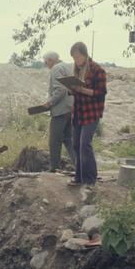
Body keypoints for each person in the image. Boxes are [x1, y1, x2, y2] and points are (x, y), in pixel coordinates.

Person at [69, 42, 107, 186]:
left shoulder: (98, 70)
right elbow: (76, 92)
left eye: (78, 57)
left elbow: (100, 94)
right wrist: (71, 89)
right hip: (78, 111)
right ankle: (79, 178)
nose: (76, 60)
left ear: (85, 54)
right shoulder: (77, 70)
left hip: (91, 113)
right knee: (76, 145)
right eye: (74, 58)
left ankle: (90, 180)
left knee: (85, 144)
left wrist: (81, 89)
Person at [43, 51, 76, 172]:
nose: (46, 65)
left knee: (54, 141)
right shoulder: (68, 67)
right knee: (69, 140)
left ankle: (54, 169)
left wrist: (50, 102)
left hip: (60, 110)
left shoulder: (56, 68)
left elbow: (60, 89)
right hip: (70, 108)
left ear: (50, 60)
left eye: (46, 63)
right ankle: (79, 166)